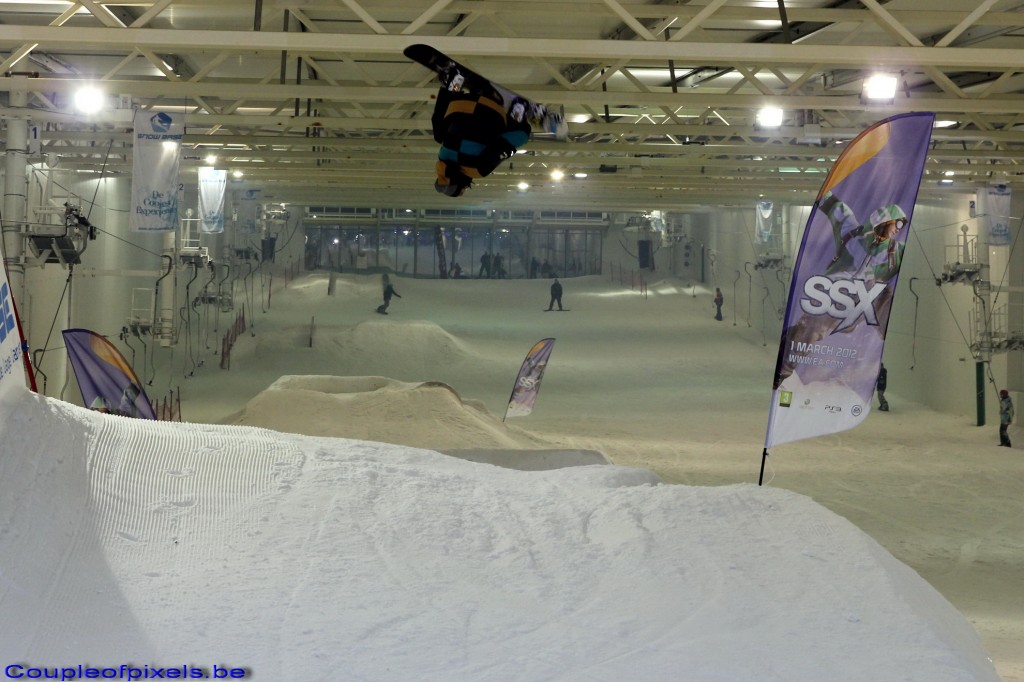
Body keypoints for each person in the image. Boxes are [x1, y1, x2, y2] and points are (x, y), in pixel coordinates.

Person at [431, 80, 533, 197]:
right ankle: (452, 87)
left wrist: (515, 143)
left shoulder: (477, 170)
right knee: (439, 135)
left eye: (463, 189)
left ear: (460, 183)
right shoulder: (442, 157)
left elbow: (500, 147)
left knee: (520, 136)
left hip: (491, 110)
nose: (466, 188)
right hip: (462, 102)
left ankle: (517, 111)